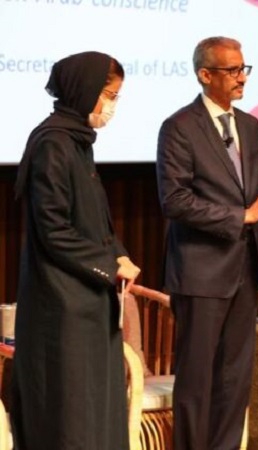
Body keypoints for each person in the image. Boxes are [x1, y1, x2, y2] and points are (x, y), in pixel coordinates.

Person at [156, 36, 258, 450]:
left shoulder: (250, 125)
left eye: (244, 69)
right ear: (205, 75)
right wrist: (241, 217)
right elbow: (175, 201)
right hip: (201, 271)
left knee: (235, 377)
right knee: (197, 378)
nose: (242, 78)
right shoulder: (179, 127)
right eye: (232, 70)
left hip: (246, 267)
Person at [11, 51, 141, 450]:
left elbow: (96, 219)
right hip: (63, 307)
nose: (113, 105)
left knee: (96, 413)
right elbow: (53, 229)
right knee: (70, 417)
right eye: (109, 95)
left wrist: (119, 253)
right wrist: (109, 266)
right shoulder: (53, 143)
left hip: (88, 302)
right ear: (85, 90)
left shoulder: (77, 141)